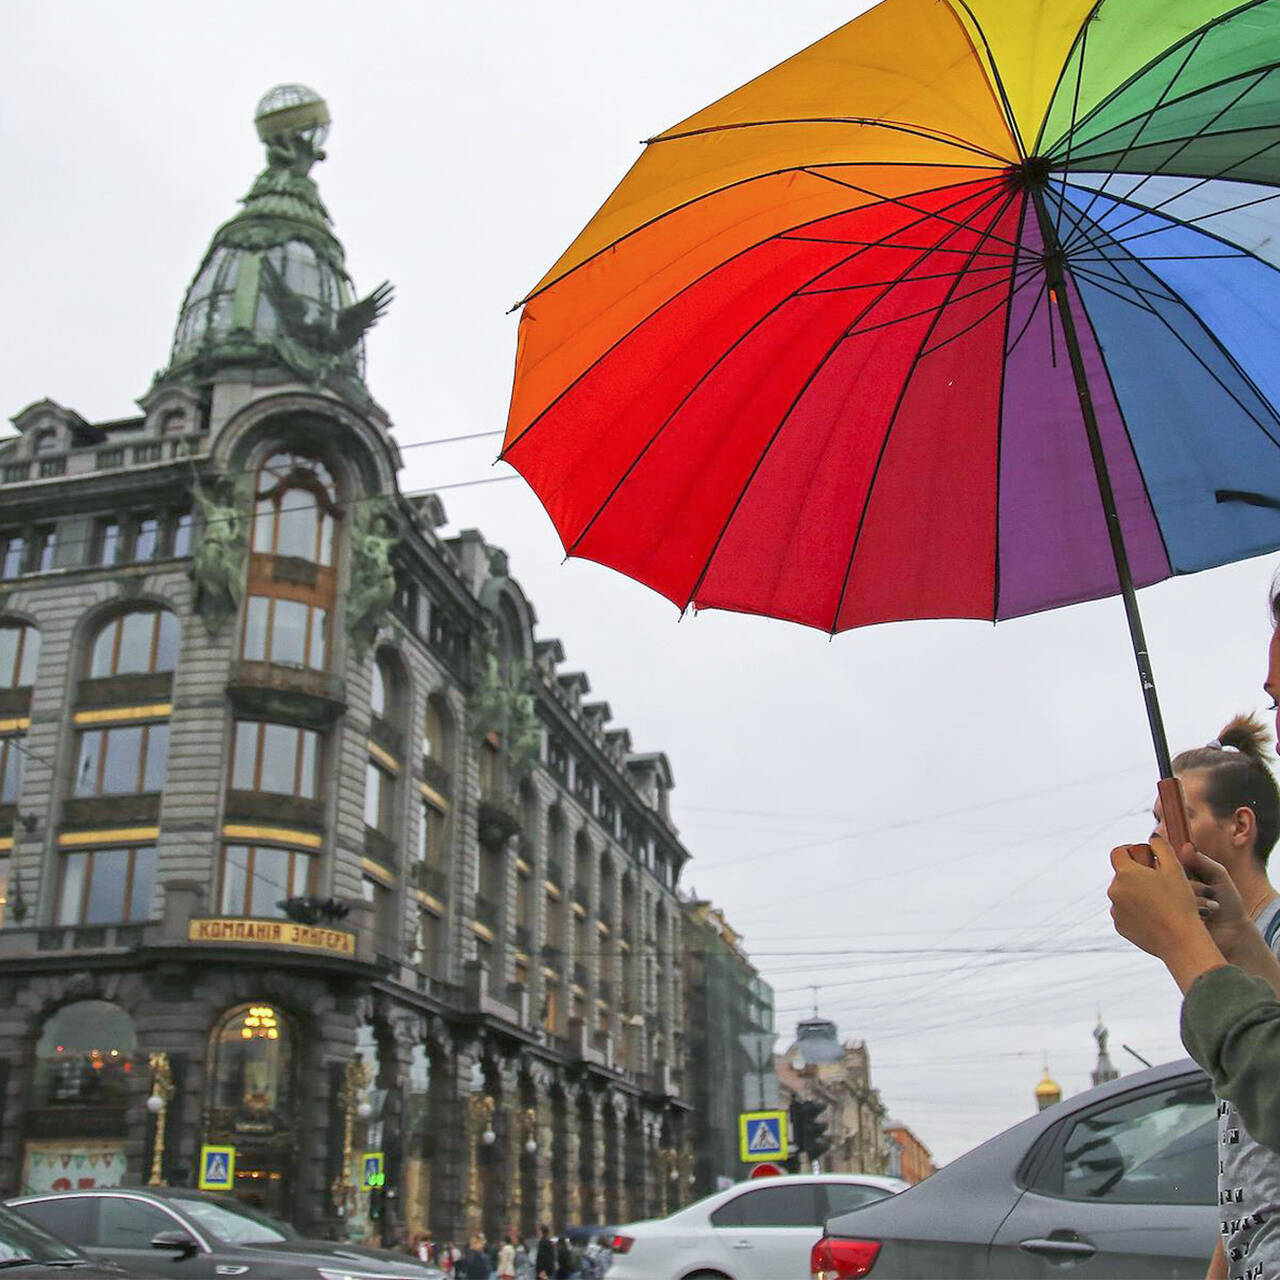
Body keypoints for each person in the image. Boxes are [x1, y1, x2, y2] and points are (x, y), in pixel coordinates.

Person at [1150, 715, 1280, 1280]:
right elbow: (1246, 1156)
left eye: (1179, 818)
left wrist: (1180, 944)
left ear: (1240, 826)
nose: (1157, 839)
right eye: (1154, 821)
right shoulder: (1234, 946)